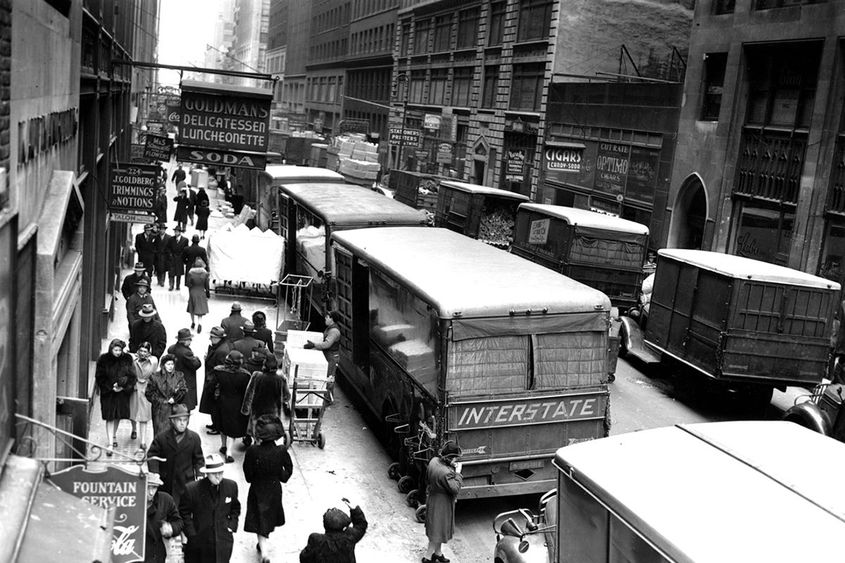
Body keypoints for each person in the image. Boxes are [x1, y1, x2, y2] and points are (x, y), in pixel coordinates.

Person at [244, 414, 293, 562]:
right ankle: (263, 546)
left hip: (258, 488)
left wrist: (254, 478)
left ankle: (264, 552)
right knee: (268, 517)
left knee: (259, 518)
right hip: (274, 489)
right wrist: (280, 475)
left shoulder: (253, 451)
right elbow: (288, 469)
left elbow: (248, 474)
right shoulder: (281, 451)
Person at [179, 452, 241, 563]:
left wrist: (231, 525)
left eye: (220, 472)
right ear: (207, 473)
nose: (218, 476)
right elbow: (184, 513)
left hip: (223, 541)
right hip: (200, 542)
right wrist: (192, 534)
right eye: (214, 473)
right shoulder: (192, 489)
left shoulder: (231, 486)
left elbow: (235, 508)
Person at [147, 403, 204, 506]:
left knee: (184, 510)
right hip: (167, 481)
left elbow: (199, 459)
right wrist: (155, 472)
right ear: (173, 421)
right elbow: (152, 455)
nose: (182, 423)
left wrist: (200, 474)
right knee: (166, 508)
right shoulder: (162, 438)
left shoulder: (194, 438)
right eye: (179, 420)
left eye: (185, 420)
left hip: (186, 482)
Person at [423, 441, 464, 563]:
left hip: (433, 497)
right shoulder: (447, 473)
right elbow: (455, 488)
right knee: (437, 530)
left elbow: (427, 479)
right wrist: (458, 473)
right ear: (449, 458)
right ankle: (428, 557)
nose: (455, 460)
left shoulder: (434, 461)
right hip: (442, 503)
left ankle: (437, 553)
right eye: (454, 458)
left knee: (437, 529)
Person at [95, 339, 137, 456]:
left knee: (118, 415)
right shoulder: (103, 360)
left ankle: (113, 436)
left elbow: (132, 377)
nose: (118, 352)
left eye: (119, 350)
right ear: (111, 349)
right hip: (108, 394)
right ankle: (109, 443)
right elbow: (99, 377)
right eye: (116, 350)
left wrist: (123, 387)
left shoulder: (127, 359)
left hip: (121, 394)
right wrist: (109, 387)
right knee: (109, 417)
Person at [211, 350, 251, 462]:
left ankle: (223, 446)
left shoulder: (218, 371)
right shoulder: (245, 375)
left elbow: (211, 386)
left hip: (221, 401)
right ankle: (229, 453)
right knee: (231, 428)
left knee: (222, 425)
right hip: (236, 404)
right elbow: (246, 393)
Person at [299, 499, 368, 563]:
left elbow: (304, 558)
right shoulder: (349, 537)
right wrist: (355, 510)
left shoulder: (317, 540)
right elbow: (361, 526)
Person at [242, 355, 287, 438]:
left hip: (258, 412)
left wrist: (245, 410)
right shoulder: (281, 379)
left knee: (257, 435)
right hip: (273, 413)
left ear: (264, 365)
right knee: (270, 435)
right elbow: (286, 397)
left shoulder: (257, 376)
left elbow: (249, 394)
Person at [304, 310, 342, 404]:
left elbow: (327, 344)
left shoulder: (334, 331)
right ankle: (326, 397)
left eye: (327, 317)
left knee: (329, 377)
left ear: (332, 319)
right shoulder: (330, 328)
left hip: (332, 358)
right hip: (329, 356)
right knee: (327, 376)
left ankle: (328, 399)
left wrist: (314, 345)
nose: (325, 318)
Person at [145, 354, 188, 437]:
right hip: (159, 410)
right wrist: (161, 401)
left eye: (172, 364)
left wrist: (175, 399)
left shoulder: (179, 376)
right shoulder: (155, 377)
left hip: (175, 409)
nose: (170, 366)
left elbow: (183, 390)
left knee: (174, 433)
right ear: (163, 365)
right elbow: (149, 393)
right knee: (160, 433)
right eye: (168, 364)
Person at [144, 472, 183, 563]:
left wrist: (171, 528)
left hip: (157, 554)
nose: (151, 492)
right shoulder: (131, 501)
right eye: (148, 487)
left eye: (154, 487)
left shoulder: (165, 500)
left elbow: (178, 522)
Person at [200, 326, 231, 436]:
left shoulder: (221, 351)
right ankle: (215, 424)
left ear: (219, 338)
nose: (211, 339)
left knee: (215, 406)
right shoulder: (219, 347)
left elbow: (220, 369)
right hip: (212, 380)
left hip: (215, 382)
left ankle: (217, 427)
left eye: (213, 337)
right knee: (213, 406)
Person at [131, 342, 158, 450]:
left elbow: (155, 375)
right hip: (134, 387)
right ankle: (134, 429)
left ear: (149, 352)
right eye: (141, 351)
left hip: (146, 389)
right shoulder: (133, 359)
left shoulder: (154, 361)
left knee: (144, 416)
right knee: (133, 412)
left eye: (145, 351)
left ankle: (142, 441)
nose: (142, 353)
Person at [168, 328, 202, 411]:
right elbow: (196, 364)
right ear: (185, 340)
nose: (191, 341)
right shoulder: (186, 353)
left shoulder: (171, 348)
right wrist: (197, 358)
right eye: (190, 339)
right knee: (185, 407)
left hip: (174, 380)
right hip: (186, 382)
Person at [186, 257, 210, 333]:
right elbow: (207, 285)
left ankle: (193, 323)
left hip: (193, 291)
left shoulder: (190, 273)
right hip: (201, 292)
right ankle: (200, 323)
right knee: (200, 310)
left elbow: (188, 284)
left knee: (192, 308)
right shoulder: (205, 273)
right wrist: (207, 293)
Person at [167, 225, 189, 291]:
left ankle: (177, 286)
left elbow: (186, 249)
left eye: (177, 231)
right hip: (172, 258)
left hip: (180, 258)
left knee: (178, 273)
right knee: (171, 273)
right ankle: (171, 285)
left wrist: (183, 256)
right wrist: (170, 255)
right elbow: (168, 248)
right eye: (175, 231)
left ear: (180, 232)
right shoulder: (171, 239)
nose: (176, 233)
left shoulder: (185, 240)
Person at [154, 222, 172, 288]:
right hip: (158, 255)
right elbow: (154, 246)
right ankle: (159, 280)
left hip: (165, 255)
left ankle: (162, 281)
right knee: (158, 268)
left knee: (164, 269)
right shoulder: (156, 237)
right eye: (161, 229)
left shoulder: (169, 237)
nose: (162, 230)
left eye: (163, 229)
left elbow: (170, 246)